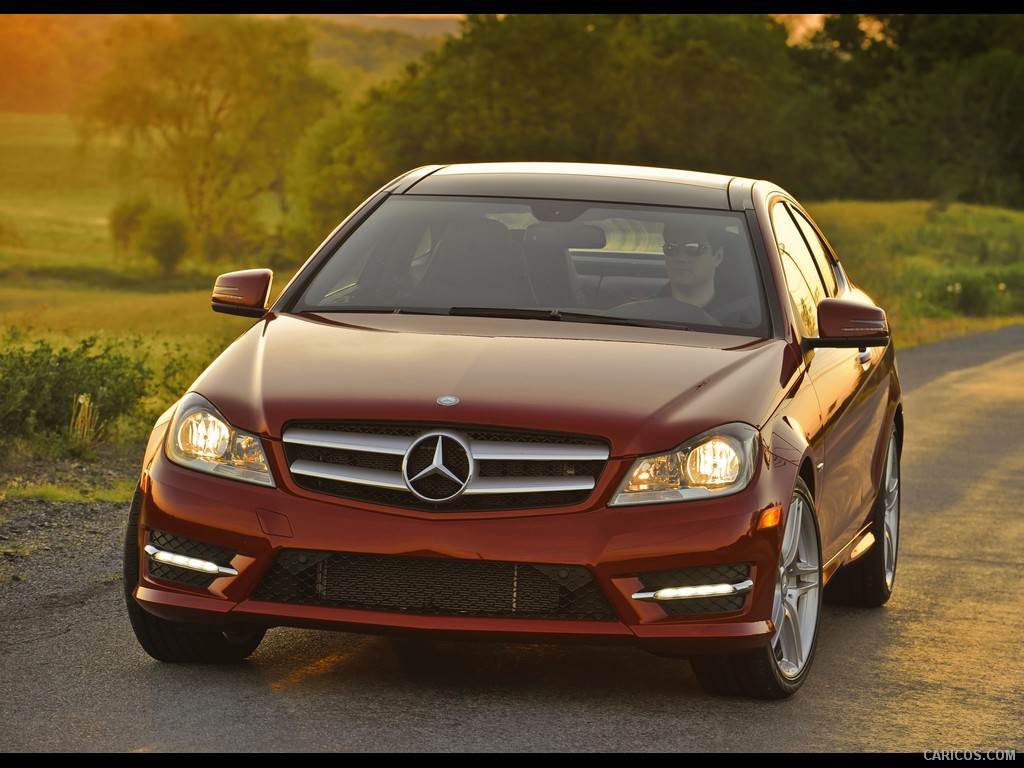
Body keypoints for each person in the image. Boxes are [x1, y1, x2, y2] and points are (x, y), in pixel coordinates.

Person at [659, 220, 726, 312]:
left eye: (694, 248)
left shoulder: (738, 320)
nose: (681, 258)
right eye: (671, 248)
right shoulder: (646, 313)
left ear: (718, 257)